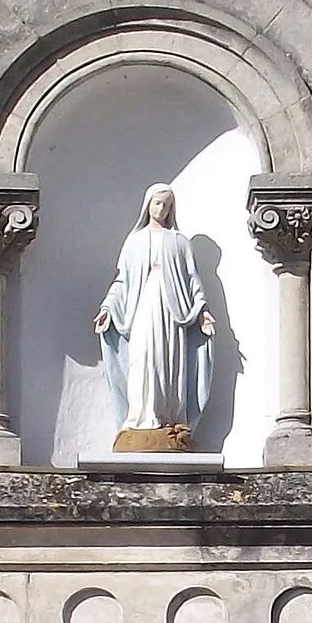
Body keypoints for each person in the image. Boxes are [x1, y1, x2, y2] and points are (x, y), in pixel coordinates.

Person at [95, 183, 215, 451]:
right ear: (147, 204)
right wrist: (107, 308)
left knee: (168, 362)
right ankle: (140, 418)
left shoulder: (179, 241)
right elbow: (122, 281)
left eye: (166, 204)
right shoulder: (134, 241)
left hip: (172, 311)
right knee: (143, 358)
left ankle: (167, 420)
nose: (161, 209)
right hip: (142, 308)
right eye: (157, 203)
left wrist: (202, 311)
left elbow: (193, 279)